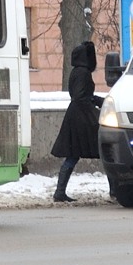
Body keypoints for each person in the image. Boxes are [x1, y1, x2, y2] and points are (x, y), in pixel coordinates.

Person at [50, 40, 101, 203]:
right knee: (106, 151)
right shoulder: (83, 73)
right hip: (82, 118)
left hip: (75, 116)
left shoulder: (76, 71)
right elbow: (82, 97)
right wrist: (96, 110)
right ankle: (115, 189)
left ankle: (60, 191)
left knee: (72, 155)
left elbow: (82, 96)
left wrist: (98, 101)